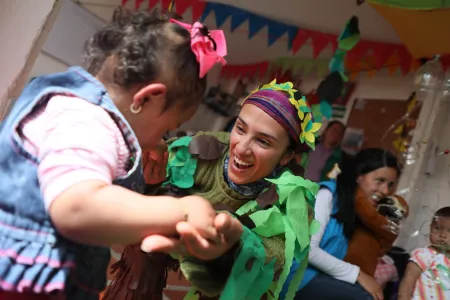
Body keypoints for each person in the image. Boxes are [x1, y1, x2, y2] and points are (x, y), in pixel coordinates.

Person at [0, 8, 230, 300]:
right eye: (170, 127)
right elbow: (76, 207)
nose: (163, 139)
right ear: (146, 98)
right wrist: (181, 210)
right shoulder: (90, 123)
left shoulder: (71, 105)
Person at [104, 80, 321, 300]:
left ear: (286, 157)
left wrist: (231, 248)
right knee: (145, 242)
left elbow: (272, 259)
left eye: (263, 142)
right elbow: (138, 197)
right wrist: (151, 180)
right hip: (175, 235)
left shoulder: (293, 200)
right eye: (240, 128)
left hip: (227, 266)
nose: (242, 148)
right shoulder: (203, 149)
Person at [283, 148, 401, 300]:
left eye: (391, 185)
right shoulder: (327, 195)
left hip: (322, 275)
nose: (385, 190)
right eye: (379, 181)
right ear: (359, 176)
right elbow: (309, 251)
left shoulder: (362, 210)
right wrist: (358, 274)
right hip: (297, 276)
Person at [398, 206, 450, 300]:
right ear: (430, 228)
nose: (442, 235)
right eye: (437, 228)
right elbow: (408, 282)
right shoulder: (424, 254)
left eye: (449, 231)